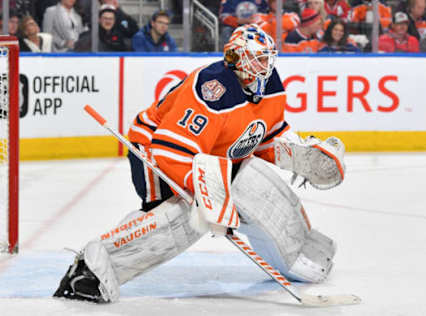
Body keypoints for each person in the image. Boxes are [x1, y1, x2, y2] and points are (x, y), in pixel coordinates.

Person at [52, 23, 345, 303]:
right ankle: (90, 270)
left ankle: (301, 250)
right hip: (154, 147)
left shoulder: (270, 84)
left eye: (267, 58)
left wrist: (295, 151)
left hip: (214, 154)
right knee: (175, 219)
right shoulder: (213, 88)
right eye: (256, 59)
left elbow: (261, 133)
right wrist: (208, 194)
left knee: (256, 188)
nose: (264, 66)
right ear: (235, 58)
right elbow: (172, 150)